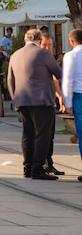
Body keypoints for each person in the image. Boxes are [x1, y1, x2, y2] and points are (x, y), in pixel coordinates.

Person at [7, 28, 63, 180]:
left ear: (25, 39)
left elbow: (10, 80)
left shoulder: (15, 55)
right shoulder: (43, 54)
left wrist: (15, 99)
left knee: (27, 134)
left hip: (22, 100)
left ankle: (28, 167)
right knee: (42, 134)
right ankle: (38, 168)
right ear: (39, 40)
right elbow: (58, 73)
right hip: (41, 101)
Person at [38, 31, 65, 176]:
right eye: (44, 45)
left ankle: (48, 163)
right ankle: (40, 163)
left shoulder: (50, 59)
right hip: (39, 102)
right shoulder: (39, 58)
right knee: (41, 135)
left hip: (49, 100)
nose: (47, 48)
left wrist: (60, 96)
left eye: (50, 45)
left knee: (50, 135)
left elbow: (55, 79)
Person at [61, 29, 82, 182]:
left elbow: (67, 80)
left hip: (79, 97)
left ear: (72, 42)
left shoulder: (71, 56)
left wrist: (67, 103)